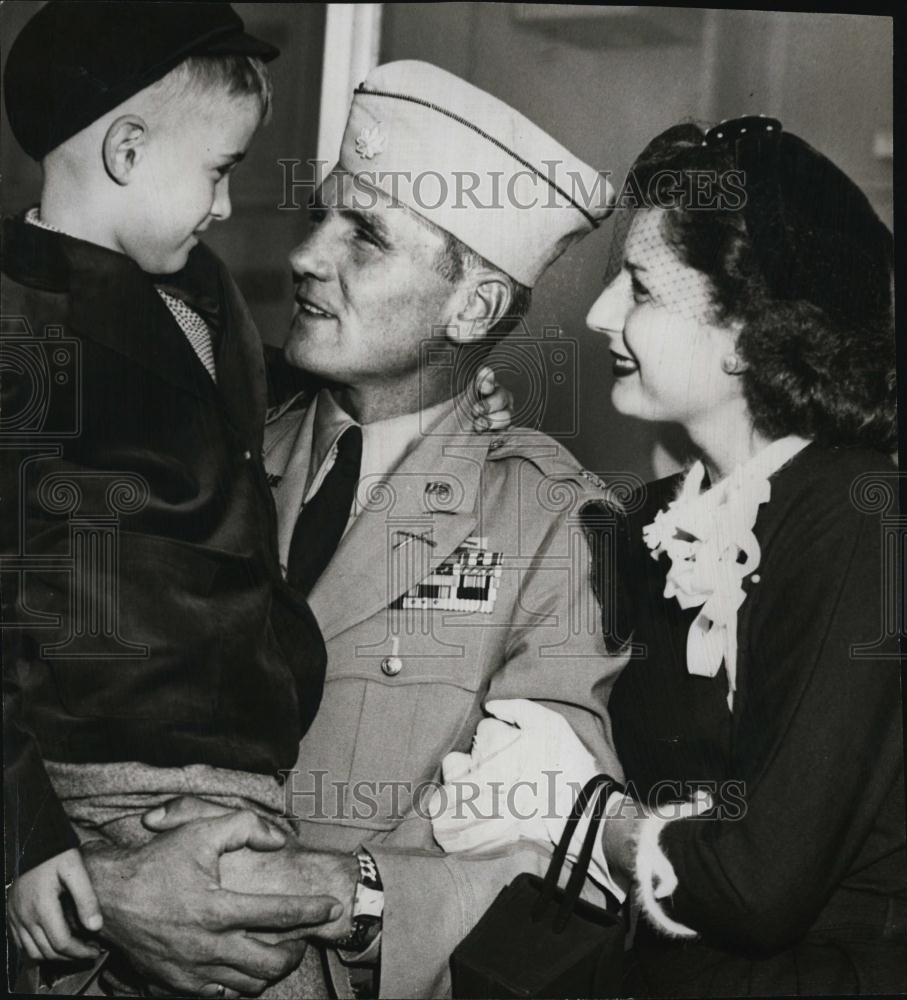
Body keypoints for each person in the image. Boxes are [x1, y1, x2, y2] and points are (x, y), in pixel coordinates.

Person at [89, 60, 627, 998]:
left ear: (474, 306)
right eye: (320, 216)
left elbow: (559, 849)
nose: (306, 256)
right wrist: (101, 891)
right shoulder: (200, 448)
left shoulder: (549, 528)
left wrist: (351, 897)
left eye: (365, 235)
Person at [0, 8, 510, 994]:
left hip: (228, 754)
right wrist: (28, 838)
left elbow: (226, 392)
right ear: (125, 148)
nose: (228, 206)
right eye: (217, 171)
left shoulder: (190, 284)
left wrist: (416, 384)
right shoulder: (26, 338)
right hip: (116, 766)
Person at [433, 117, 907, 996]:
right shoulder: (648, 523)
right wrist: (458, 441)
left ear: (746, 333)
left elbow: (755, 885)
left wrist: (580, 811)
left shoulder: (865, 519)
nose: (598, 312)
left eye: (641, 289)